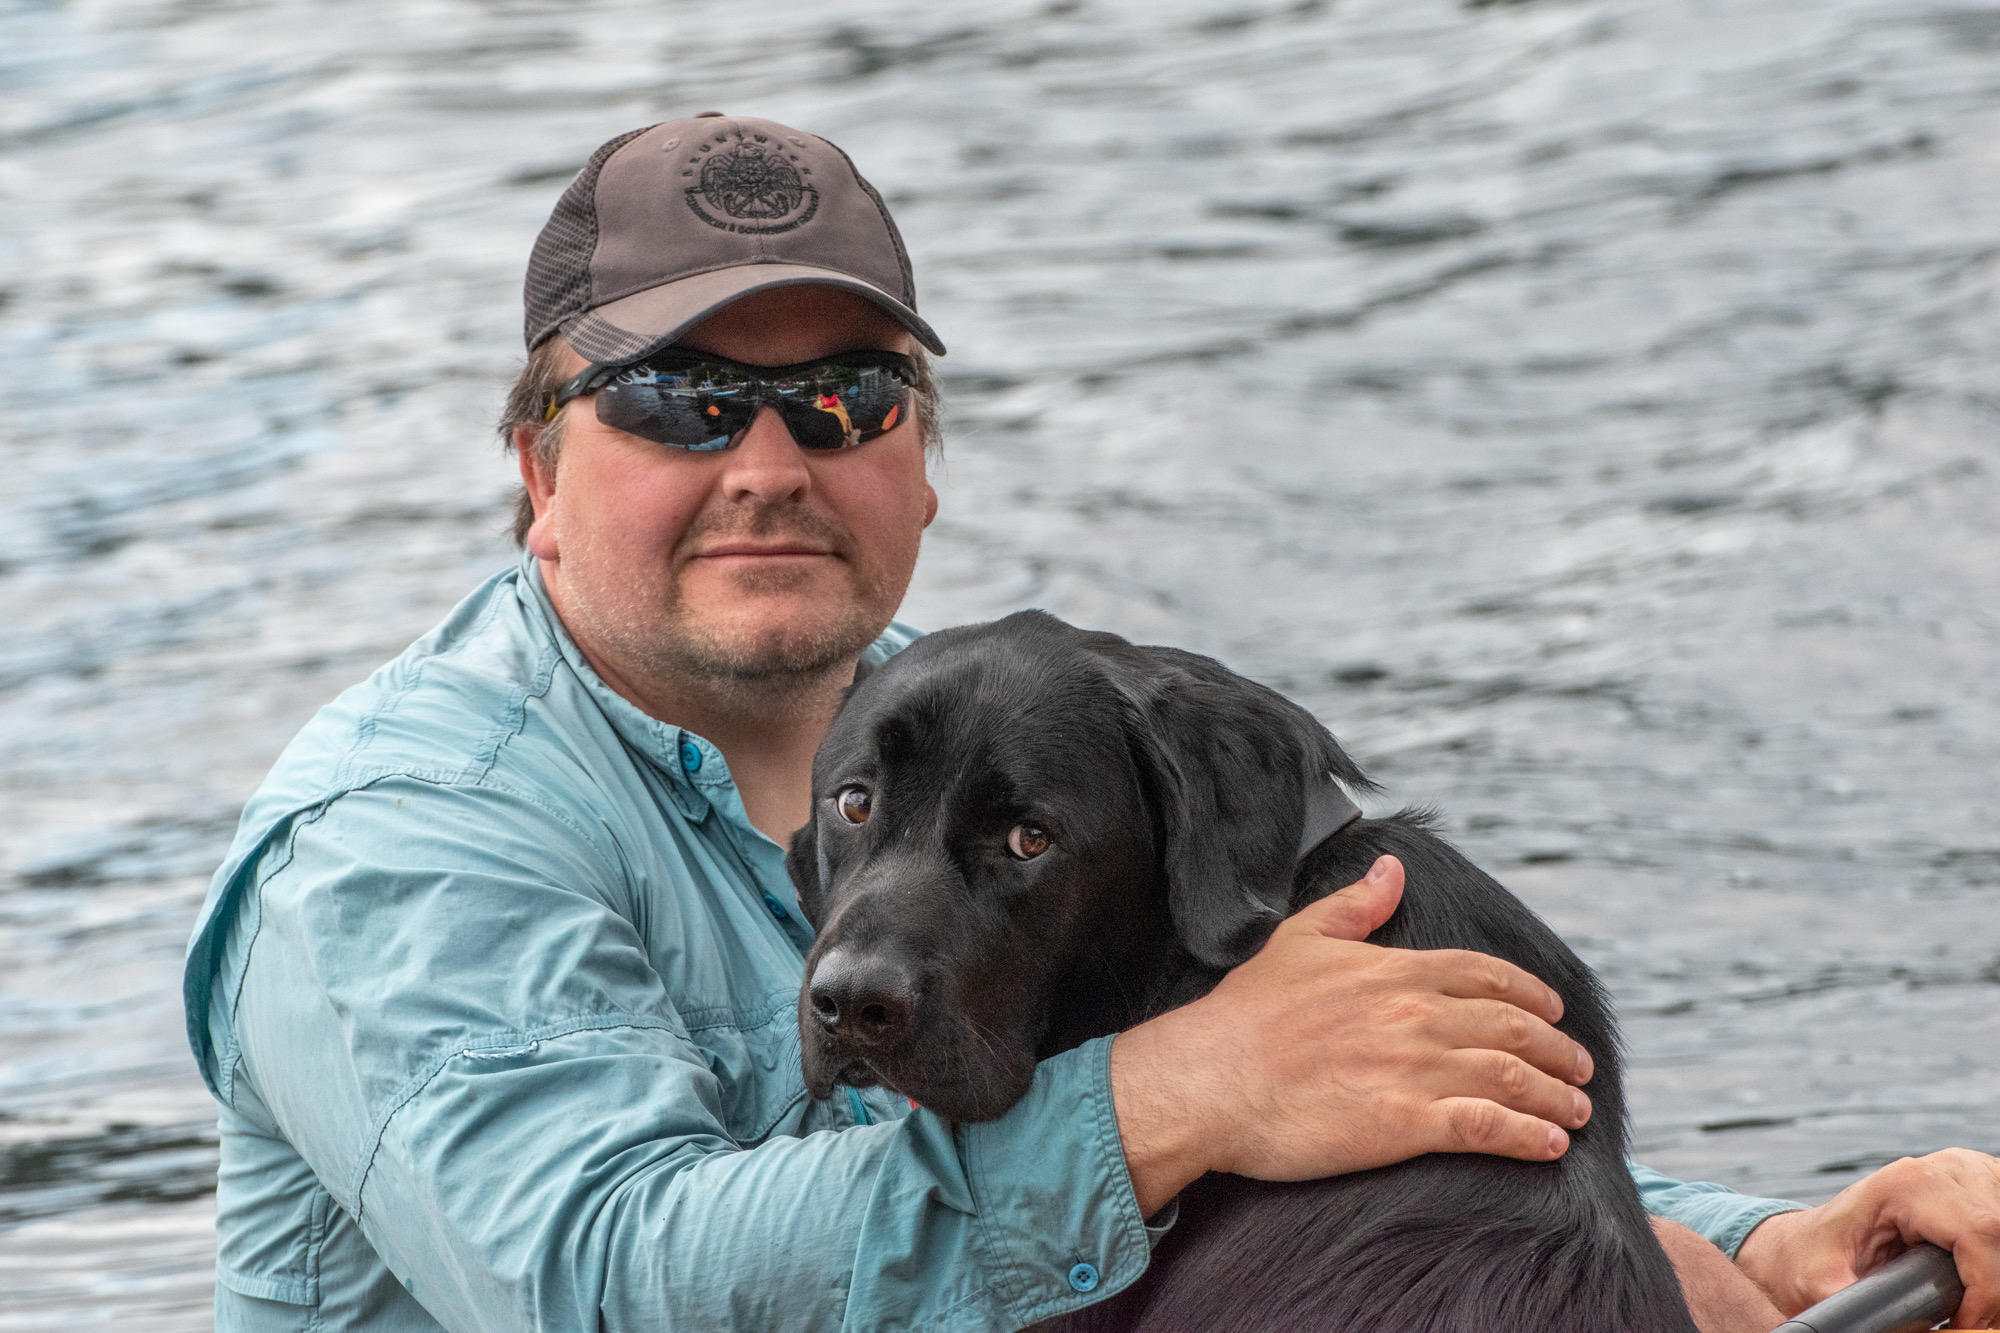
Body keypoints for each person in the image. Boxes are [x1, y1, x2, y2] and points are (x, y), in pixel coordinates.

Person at [183, 113, 2000, 1332]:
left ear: (918, 465)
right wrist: (1183, 1092)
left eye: (839, 398)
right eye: (676, 398)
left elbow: (1334, 1105)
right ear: (537, 469)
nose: (764, 464)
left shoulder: (983, 748)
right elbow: (597, 1273)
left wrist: (1774, 1235)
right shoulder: (401, 838)